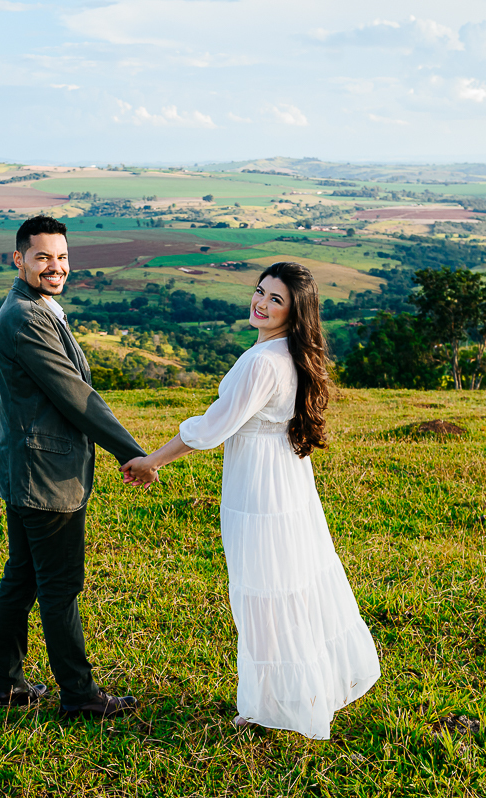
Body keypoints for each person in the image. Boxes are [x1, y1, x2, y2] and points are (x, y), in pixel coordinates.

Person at [121, 261, 381, 739]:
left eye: (275, 299)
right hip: (284, 477)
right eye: (260, 291)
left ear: (295, 312)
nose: (260, 303)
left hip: (260, 488)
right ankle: (291, 692)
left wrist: (152, 460)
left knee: (262, 593)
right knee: (285, 585)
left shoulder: (262, 361)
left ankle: (272, 703)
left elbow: (212, 427)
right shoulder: (288, 353)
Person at [0, 215, 153, 719]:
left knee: (23, 578)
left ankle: (9, 686)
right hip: (46, 477)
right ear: (18, 259)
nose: (55, 266)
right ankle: (79, 696)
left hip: (29, 469)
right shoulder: (26, 317)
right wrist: (131, 451)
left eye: (60, 257)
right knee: (59, 586)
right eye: (42, 257)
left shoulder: (37, 306)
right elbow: (76, 396)